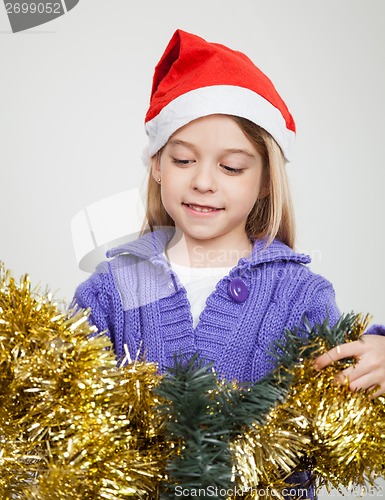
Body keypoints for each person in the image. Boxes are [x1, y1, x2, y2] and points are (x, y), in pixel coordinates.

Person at [74, 29, 385, 496]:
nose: (203, 181)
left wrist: (378, 360)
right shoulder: (112, 288)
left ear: (263, 181)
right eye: (182, 160)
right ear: (157, 166)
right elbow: (64, 405)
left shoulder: (299, 294)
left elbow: (348, 397)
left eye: (232, 167)